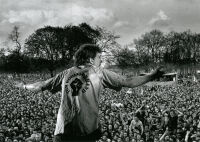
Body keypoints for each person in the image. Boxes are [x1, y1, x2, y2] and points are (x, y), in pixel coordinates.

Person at [15, 44, 164, 142]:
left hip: (62, 132)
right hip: (86, 132)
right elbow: (129, 82)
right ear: (91, 59)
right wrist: (151, 76)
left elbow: (40, 86)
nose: (101, 61)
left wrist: (24, 86)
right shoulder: (99, 73)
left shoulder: (65, 73)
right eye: (100, 58)